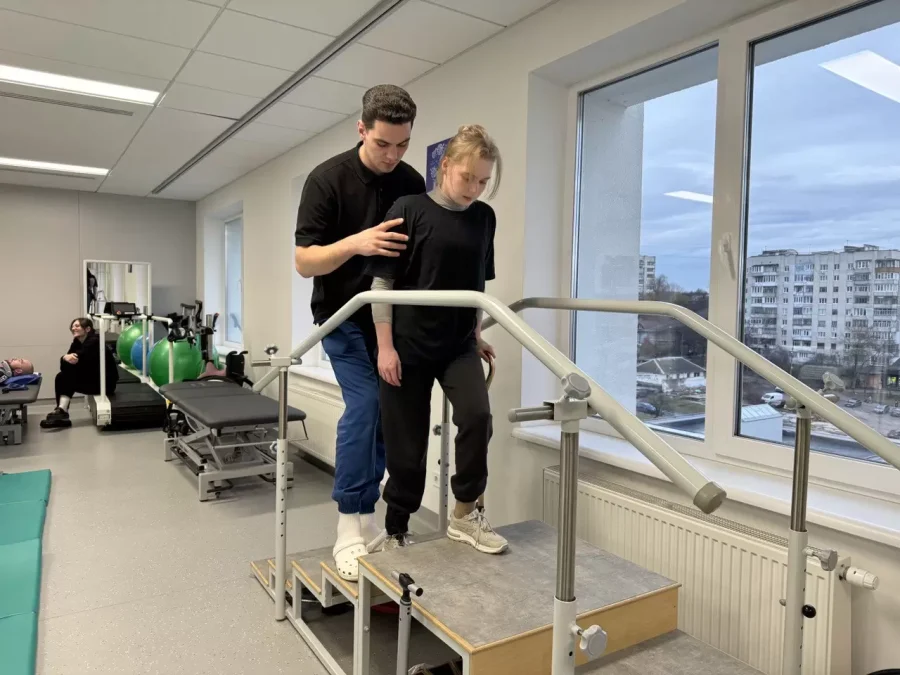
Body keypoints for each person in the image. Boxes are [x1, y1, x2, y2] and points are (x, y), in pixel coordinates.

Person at [294, 84, 426, 581]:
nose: (393, 155)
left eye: (402, 144)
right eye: (382, 144)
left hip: (392, 320)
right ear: (361, 129)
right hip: (343, 318)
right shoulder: (326, 179)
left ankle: (372, 518)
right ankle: (350, 523)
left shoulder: (412, 182)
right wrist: (356, 243)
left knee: (390, 415)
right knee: (367, 405)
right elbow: (305, 261)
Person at [366, 124, 508, 555]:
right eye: (468, 178)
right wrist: (385, 348)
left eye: (483, 181)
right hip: (406, 346)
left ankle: (464, 514)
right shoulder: (408, 209)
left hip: (457, 345)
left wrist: (477, 333)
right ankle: (395, 530)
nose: (474, 189)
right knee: (407, 449)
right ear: (445, 166)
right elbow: (382, 284)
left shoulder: (484, 218)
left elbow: (477, 284)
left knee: (478, 417)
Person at [41, 317, 118, 429]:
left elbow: (77, 358)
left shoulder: (95, 341)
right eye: (72, 326)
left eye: (77, 326)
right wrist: (65, 358)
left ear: (87, 329)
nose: (73, 328)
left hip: (105, 384)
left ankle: (62, 413)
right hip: (92, 378)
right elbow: (65, 366)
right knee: (61, 376)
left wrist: (66, 358)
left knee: (64, 377)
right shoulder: (77, 342)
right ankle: (62, 411)